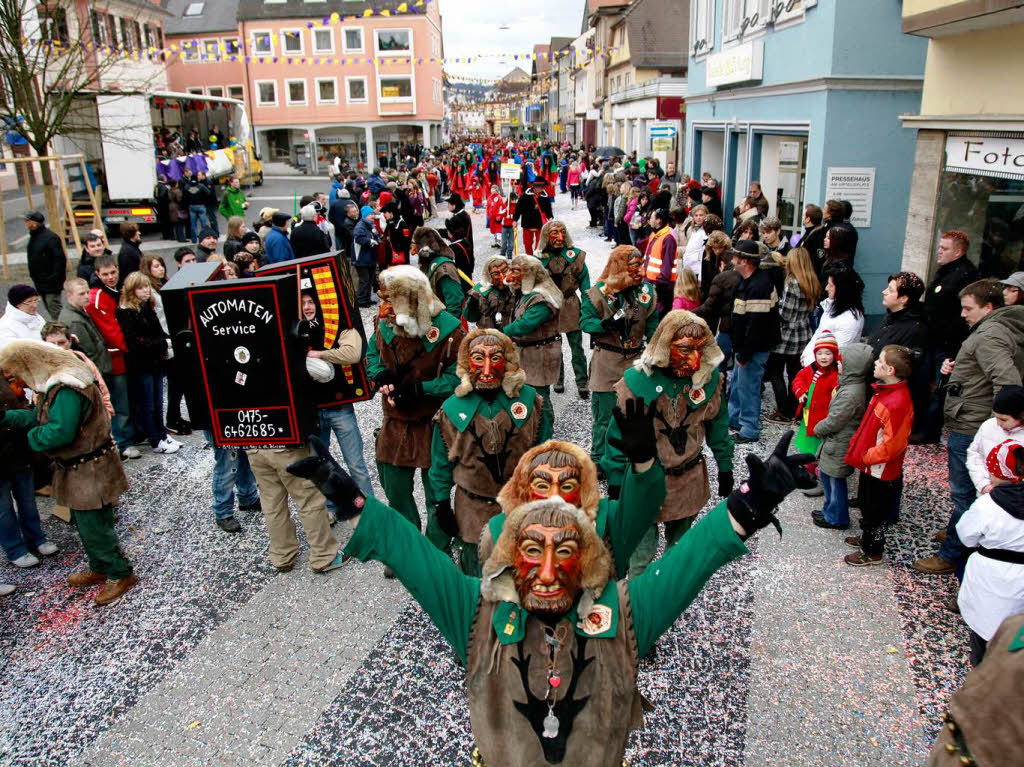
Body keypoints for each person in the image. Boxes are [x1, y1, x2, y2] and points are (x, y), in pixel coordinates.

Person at [288, 425, 813, 767]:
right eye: (530, 551)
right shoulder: (476, 610)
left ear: (585, 559)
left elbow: (692, 559)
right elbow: (409, 554)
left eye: (563, 553)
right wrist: (349, 498)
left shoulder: (625, 611)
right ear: (509, 557)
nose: (544, 572)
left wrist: (752, 502)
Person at [0, 341, 136, 605]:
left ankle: (120, 573)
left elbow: (58, 431)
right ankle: (100, 566)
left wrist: (30, 437)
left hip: (89, 469)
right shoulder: (57, 387)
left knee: (95, 526)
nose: (19, 382)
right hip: (80, 470)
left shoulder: (68, 389)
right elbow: (43, 417)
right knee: (85, 525)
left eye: (17, 375)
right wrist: (8, 419)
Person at [603, 310, 734, 575]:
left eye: (700, 350)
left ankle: (667, 600)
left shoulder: (709, 383)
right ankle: (637, 606)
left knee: (679, 553)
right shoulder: (637, 383)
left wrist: (725, 466)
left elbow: (718, 428)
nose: (695, 361)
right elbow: (616, 436)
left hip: (688, 480)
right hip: (644, 483)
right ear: (665, 346)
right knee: (640, 556)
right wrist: (616, 481)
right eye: (684, 350)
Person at [915, 282, 1024, 578]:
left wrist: (1000, 427)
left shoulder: (990, 334)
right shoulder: (997, 329)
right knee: (967, 495)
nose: (962, 314)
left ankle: (953, 553)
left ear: (988, 308)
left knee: (967, 495)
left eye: (968, 308)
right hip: (973, 418)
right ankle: (957, 529)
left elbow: (1007, 382)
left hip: (973, 424)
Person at [428, 330, 551, 575]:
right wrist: (441, 503)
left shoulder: (531, 402)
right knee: (477, 576)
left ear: (507, 361)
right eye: (478, 357)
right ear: (466, 363)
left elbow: (545, 453)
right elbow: (440, 463)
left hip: (520, 506)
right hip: (473, 509)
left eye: (495, 358)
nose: (486, 367)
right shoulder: (450, 411)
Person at [366, 266, 466, 559]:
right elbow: (373, 354)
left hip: (433, 422)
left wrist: (422, 389)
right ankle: (409, 547)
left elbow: (461, 376)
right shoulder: (384, 323)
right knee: (394, 487)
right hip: (396, 422)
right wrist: (380, 374)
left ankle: (434, 550)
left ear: (409, 300)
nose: (382, 307)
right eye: (381, 298)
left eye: (389, 299)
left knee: (437, 492)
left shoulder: (449, 329)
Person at [581, 246, 658, 468]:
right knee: (605, 416)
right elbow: (585, 322)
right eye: (633, 266)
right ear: (620, 267)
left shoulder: (647, 292)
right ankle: (599, 460)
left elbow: (653, 326)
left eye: (640, 264)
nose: (639, 270)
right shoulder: (597, 292)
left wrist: (655, 355)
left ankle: (631, 457)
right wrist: (605, 325)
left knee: (636, 414)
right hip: (607, 360)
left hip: (636, 360)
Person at [843, 345, 914, 566]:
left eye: (879, 361)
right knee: (866, 503)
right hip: (871, 465)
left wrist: (866, 456)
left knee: (875, 510)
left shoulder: (897, 402)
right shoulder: (885, 392)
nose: (874, 363)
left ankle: (872, 551)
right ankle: (867, 538)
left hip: (879, 468)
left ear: (890, 370)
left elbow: (894, 444)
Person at [956, 440, 1024, 666]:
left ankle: (984, 676)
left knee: (985, 630)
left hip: (991, 576)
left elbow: (966, 535)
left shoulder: (988, 505)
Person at [917, 230, 979, 444]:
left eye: (945, 249)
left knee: (940, 388)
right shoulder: (945, 271)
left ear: (959, 251)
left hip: (948, 343)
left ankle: (930, 430)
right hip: (932, 339)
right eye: (939, 247)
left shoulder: (965, 275)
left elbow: (960, 316)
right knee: (927, 383)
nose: (939, 252)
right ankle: (922, 425)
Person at [115, 272, 180, 455]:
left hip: (155, 361)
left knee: (158, 401)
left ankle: (161, 433)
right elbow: (136, 343)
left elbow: (157, 331)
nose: (146, 290)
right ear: (132, 290)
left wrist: (165, 342)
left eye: (147, 287)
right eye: (141, 288)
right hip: (141, 365)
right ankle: (155, 439)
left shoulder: (145, 306)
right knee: (148, 403)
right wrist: (163, 344)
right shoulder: (126, 312)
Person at [810, 343, 873, 530]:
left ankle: (836, 517)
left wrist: (818, 428)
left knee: (835, 482)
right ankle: (830, 510)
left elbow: (836, 420)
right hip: (836, 442)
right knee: (828, 478)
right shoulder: (851, 385)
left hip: (839, 443)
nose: (838, 365)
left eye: (841, 362)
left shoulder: (851, 393)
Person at [0, 371, 57, 570]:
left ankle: (36, 538)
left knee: (27, 500)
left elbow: (25, 409)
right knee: (3, 509)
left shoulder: (6, 374)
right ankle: (15, 549)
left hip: (18, 451)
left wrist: (14, 416)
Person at [85, 256, 139, 459]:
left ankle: (128, 437)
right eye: (105, 274)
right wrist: (130, 347)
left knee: (125, 400)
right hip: (114, 358)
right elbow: (111, 330)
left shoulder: (114, 292)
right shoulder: (98, 297)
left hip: (120, 356)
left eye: (113, 273)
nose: (110, 277)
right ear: (97, 274)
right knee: (119, 402)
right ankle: (123, 442)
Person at [729, 240, 781, 443]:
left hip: (753, 349)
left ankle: (749, 429)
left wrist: (744, 354)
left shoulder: (759, 286)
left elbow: (756, 327)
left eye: (735, 256)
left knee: (748, 387)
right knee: (737, 384)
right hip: (745, 346)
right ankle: (735, 420)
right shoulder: (750, 281)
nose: (732, 260)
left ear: (744, 261)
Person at [502, 255, 563, 429]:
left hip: (540, 353)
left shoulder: (541, 298)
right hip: (528, 352)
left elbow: (525, 324)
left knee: (540, 397)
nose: (510, 275)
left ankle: (546, 431)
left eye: (516, 271)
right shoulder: (526, 293)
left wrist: (500, 334)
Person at [537, 221, 590, 399]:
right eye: (554, 233)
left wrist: (588, 308)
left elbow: (586, 285)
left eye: (562, 233)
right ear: (546, 236)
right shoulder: (539, 259)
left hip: (570, 304)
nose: (559, 237)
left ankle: (582, 381)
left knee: (576, 346)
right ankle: (557, 378)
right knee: (554, 346)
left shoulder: (575, 257)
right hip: (549, 307)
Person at [765, 248, 819, 422]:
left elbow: (785, 314)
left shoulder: (792, 283)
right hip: (803, 333)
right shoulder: (811, 281)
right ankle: (794, 407)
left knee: (775, 371)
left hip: (786, 335)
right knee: (795, 374)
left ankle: (783, 409)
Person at [966, 386, 1024, 496]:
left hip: (1016, 499)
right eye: (996, 417)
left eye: (1003, 419)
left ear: (1021, 416)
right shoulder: (988, 426)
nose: (998, 423)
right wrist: (983, 485)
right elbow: (974, 455)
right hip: (987, 493)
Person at [801, 269, 865, 366]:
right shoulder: (831, 307)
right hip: (812, 366)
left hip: (826, 373)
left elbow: (835, 352)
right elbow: (818, 333)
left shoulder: (850, 320)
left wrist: (811, 366)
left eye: (831, 285)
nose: (826, 288)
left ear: (842, 289)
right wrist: (805, 355)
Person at [58, 278, 112, 393]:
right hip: (96, 375)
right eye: (82, 294)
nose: (87, 296)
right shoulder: (75, 321)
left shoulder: (79, 312)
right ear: (69, 295)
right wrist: (100, 376)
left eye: (87, 292)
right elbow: (89, 353)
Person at [24, 211, 66, 318]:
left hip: (51, 283)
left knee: (55, 311)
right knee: (50, 309)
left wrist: (53, 278)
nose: (26, 223)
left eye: (28, 221)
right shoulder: (34, 236)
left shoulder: (50, 238)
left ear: (35, 223)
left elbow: (59, 260)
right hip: (40, 282)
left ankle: (64, 331)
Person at [641, 208, 677, 318]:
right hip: (650, 281)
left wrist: (658, 283)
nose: (649, 220)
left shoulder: (668, 239)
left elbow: (667, 265)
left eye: (651, 217)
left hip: (661, 285)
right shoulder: (655, 234)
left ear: (659, 221)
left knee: (659, 314)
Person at [464, 255, 515, 330]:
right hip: (490, 335)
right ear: (488, 276)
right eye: (496, 274)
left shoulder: (515, 284)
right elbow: (470, 318)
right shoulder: (479, 291)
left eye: (505, 271)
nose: (502, 276)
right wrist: (473, 304)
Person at [514, 179, 553, 256]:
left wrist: (550, 217)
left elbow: (548, 208)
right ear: (534, 187)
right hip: (527, 222)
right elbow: (519, 207)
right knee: (527, 243)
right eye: (538, 187)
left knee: (540, 242)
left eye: (541, 187)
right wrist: (515, 219)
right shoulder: (525, 195)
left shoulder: (545, 196)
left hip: (540, 223)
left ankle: (537, 256)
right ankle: (529, 257)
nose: (540, 189)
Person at [0, 284, 46, 351]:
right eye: (29, 302)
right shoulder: (5, 326)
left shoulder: (38, 318)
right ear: (17, 304)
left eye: (36, 300)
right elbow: (10, 353)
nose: (35, 305)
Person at [351, 206, 380, 308]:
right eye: (370, 214)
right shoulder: (360, 226)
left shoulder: (370, 224)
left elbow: (375, 235)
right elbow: (358, 238)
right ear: (365, 216)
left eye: (373, 214)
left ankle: (367, 299)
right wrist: (369, 241)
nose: (372, 216)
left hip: (370, 257)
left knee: (370, 279)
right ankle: (361, 300)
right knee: (364, 280)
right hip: (361, 258)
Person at [442, 192, 475, 259]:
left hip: (462, 251)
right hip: (468, 248)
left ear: (454, 205)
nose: (447, 206)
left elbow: (453, 236)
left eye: (449, 204)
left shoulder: (456, 218)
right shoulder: (464, 214)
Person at [180, 168, 210, 243]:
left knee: (193, 224)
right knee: (203, 223)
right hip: (201, 205)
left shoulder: (187, 186)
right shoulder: (201, 186)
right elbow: (208, 193)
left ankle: (194, 240)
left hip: (192, 206)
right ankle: (204, 238)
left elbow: (184, 195)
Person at [679, 204, 708, 276]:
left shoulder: (706, 232)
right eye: (696, 215)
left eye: (701, 215)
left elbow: (703, 254)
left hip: (697, 270)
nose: (698, 218)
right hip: (688, 268)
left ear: (706, 216)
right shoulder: (693, 230)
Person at [382, 201, 412, 267]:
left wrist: (396, 248)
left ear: (391, 212)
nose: (384, 214)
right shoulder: (389, 223)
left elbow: (407, 241)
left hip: (401, 258)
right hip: (391, 258)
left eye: (385, 212)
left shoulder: (401, 223)